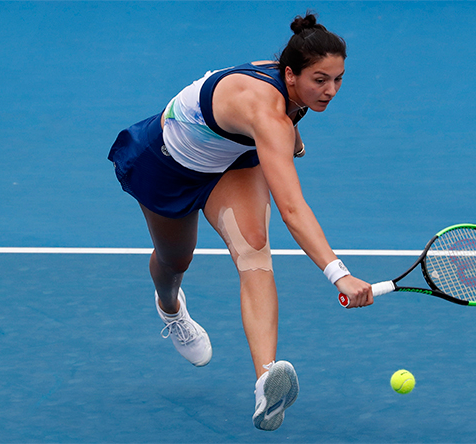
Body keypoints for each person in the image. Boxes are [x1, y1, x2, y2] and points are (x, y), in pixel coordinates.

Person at [108, 12, 373, 431]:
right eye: (320, 80)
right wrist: (339, 275)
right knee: (175, 260)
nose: (331, 91)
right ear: (290, 74)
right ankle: (170, 309)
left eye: (338, 79)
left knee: (254, 248)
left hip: (231, 164)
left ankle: (266, 378)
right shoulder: (267, 114)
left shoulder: (285, 97)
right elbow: (293, 209)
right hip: (167, 165)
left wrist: (291, 137)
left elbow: (283, 128)